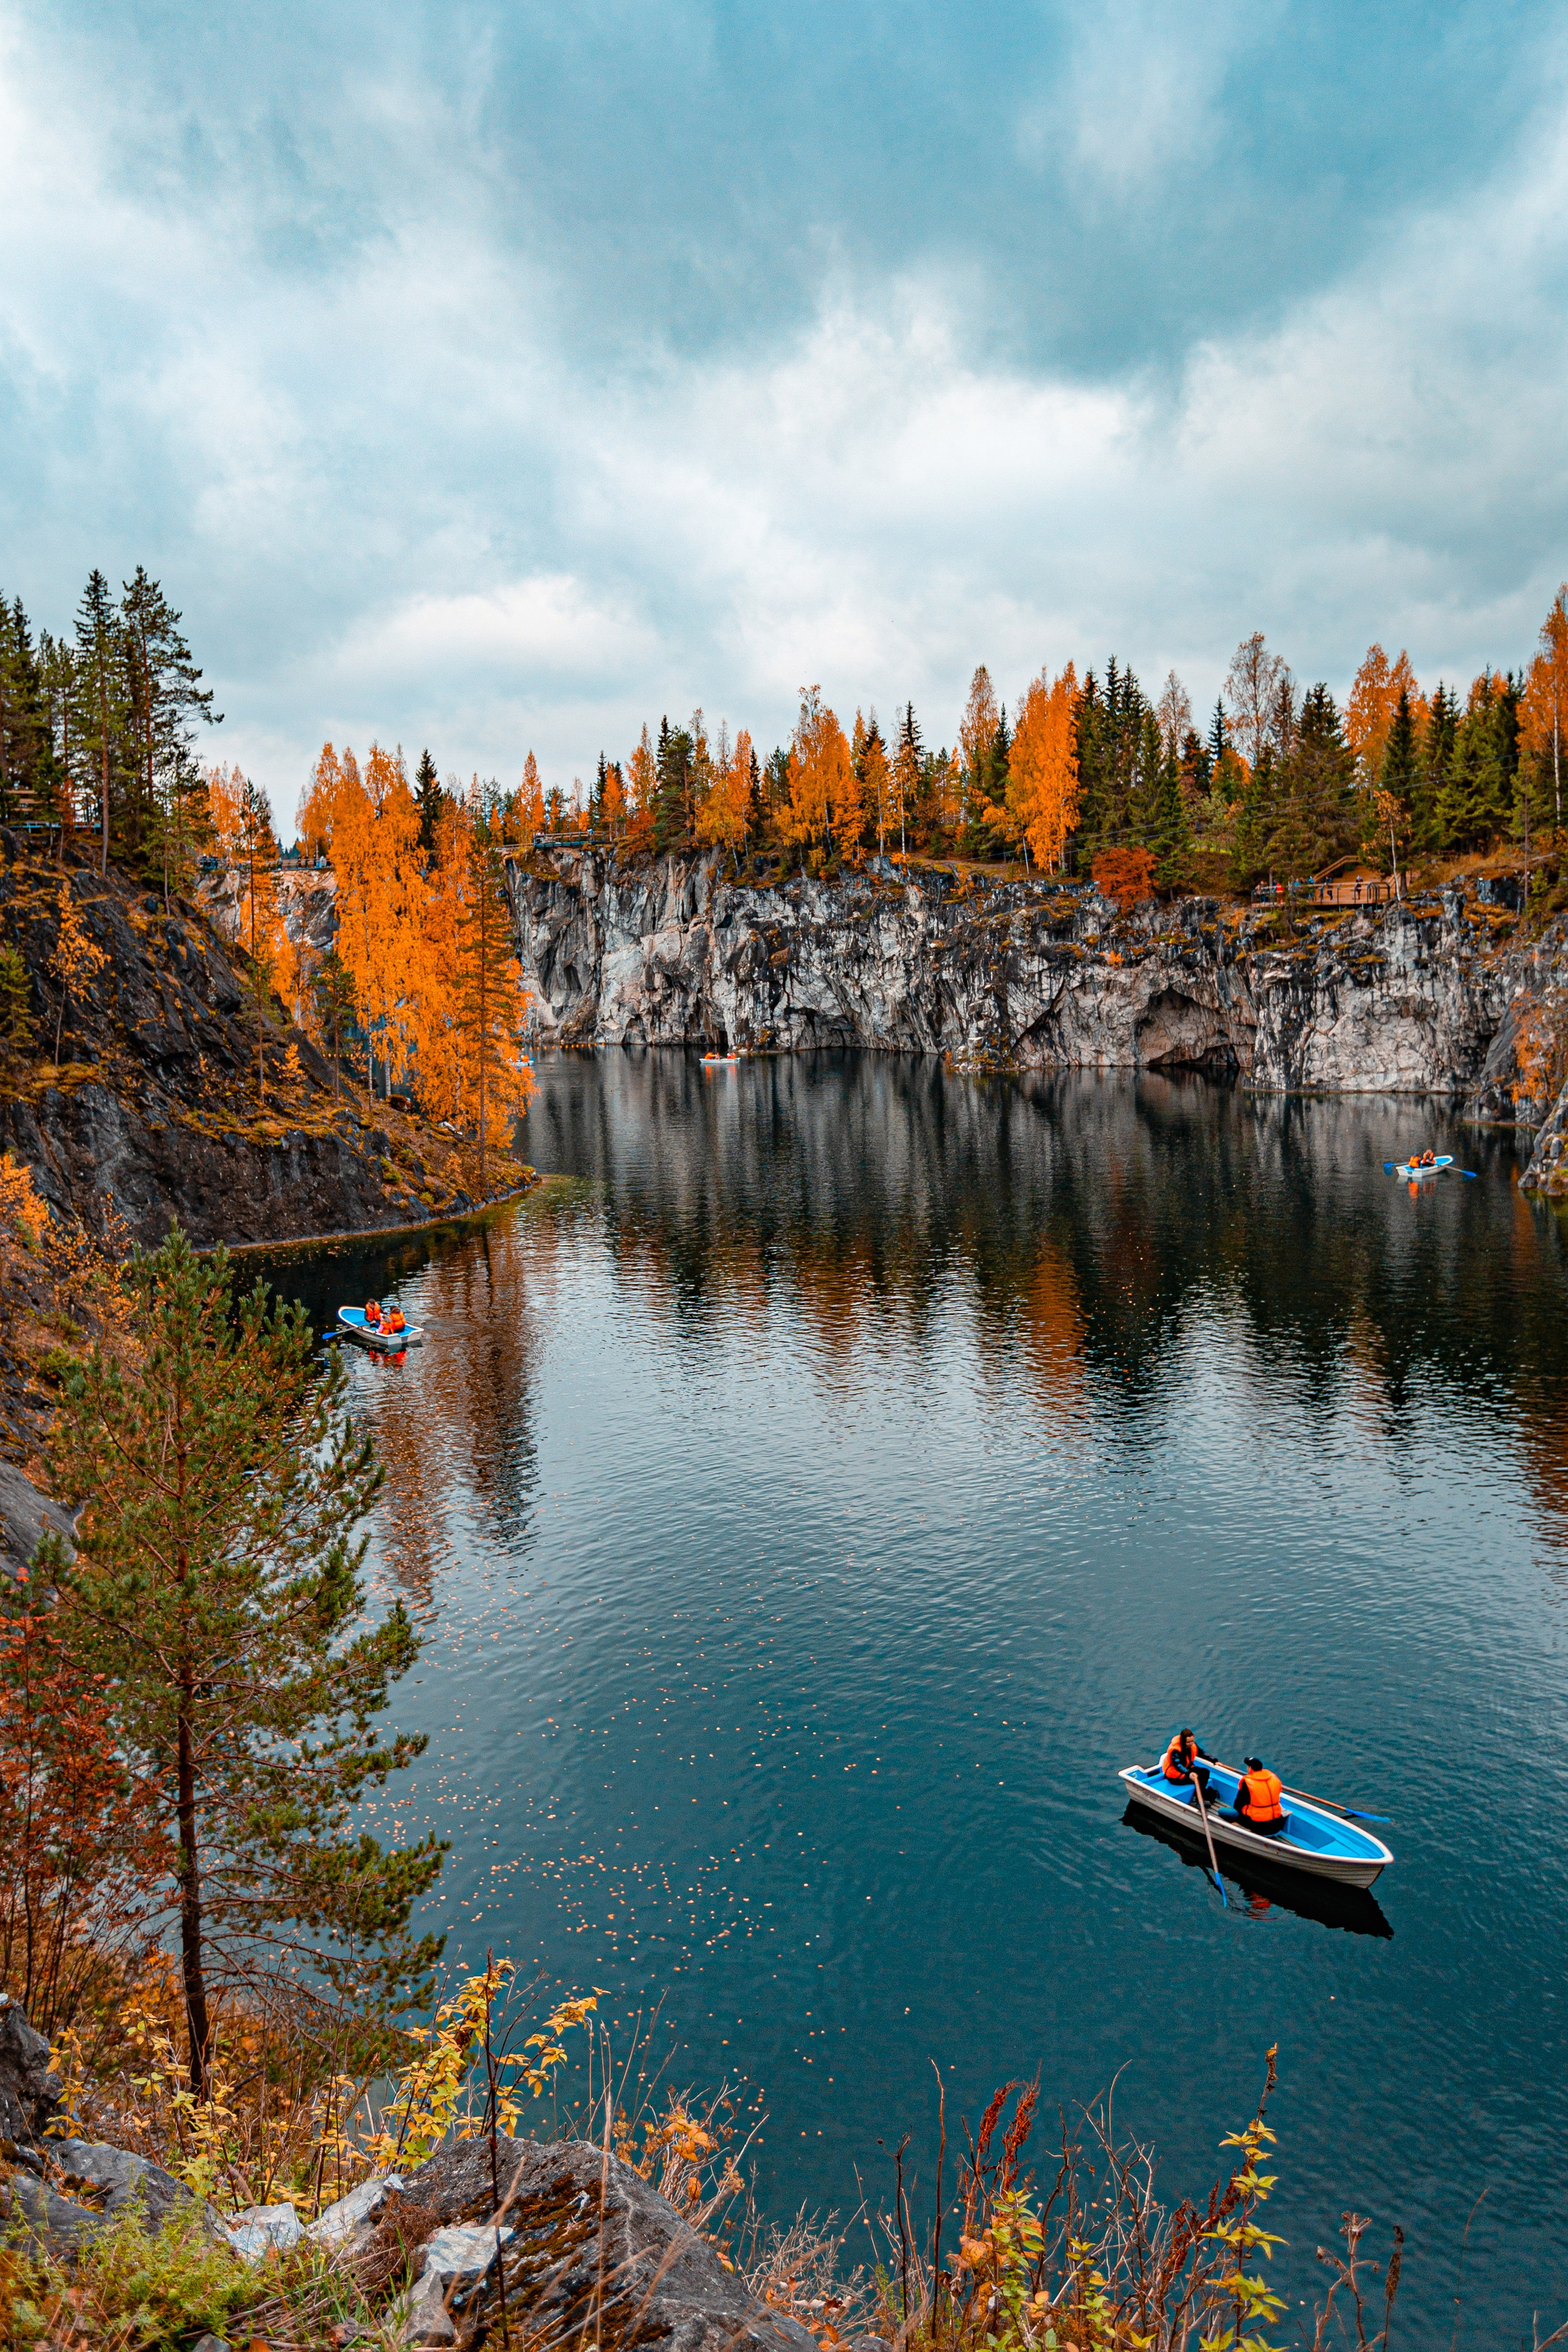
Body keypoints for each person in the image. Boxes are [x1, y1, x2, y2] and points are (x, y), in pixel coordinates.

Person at [1232, 1755, 1287, 1837]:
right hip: (1278, 1823)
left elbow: (1237, 1805)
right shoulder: (1274, 1778)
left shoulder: (1248, 1783)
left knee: (1222, 1812)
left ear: (1250, 1769)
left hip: (1259, 1826)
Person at [1161, 1728, 1215, 1801]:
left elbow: (1201, 1753)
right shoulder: (1175, 1751)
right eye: (1188, 1742)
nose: (1190, 1744)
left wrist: (1214, 1760)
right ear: (1183, 1741)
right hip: (1175, 1777)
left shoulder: (1192, 1745)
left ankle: (1199, 1796)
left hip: (1187, 1770)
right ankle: (1196, 1799)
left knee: (1205, 1772)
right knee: (1200, 1779)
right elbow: (1178, 1765)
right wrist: (1189, 1773)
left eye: (1192, 1741)